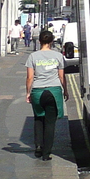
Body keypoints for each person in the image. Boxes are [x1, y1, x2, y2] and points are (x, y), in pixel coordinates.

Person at [25, 29, 66, 161]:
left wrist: (28, 92)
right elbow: (61, 76)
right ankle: (46, 153)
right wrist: (66, 90)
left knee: (38, 118)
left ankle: (38, 146)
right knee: (50, 123)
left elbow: (30, 77)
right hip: (53, 91)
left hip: (38, 90)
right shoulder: (58, 56)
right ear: (52, 41)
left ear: (40, 41)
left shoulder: (33, 57)